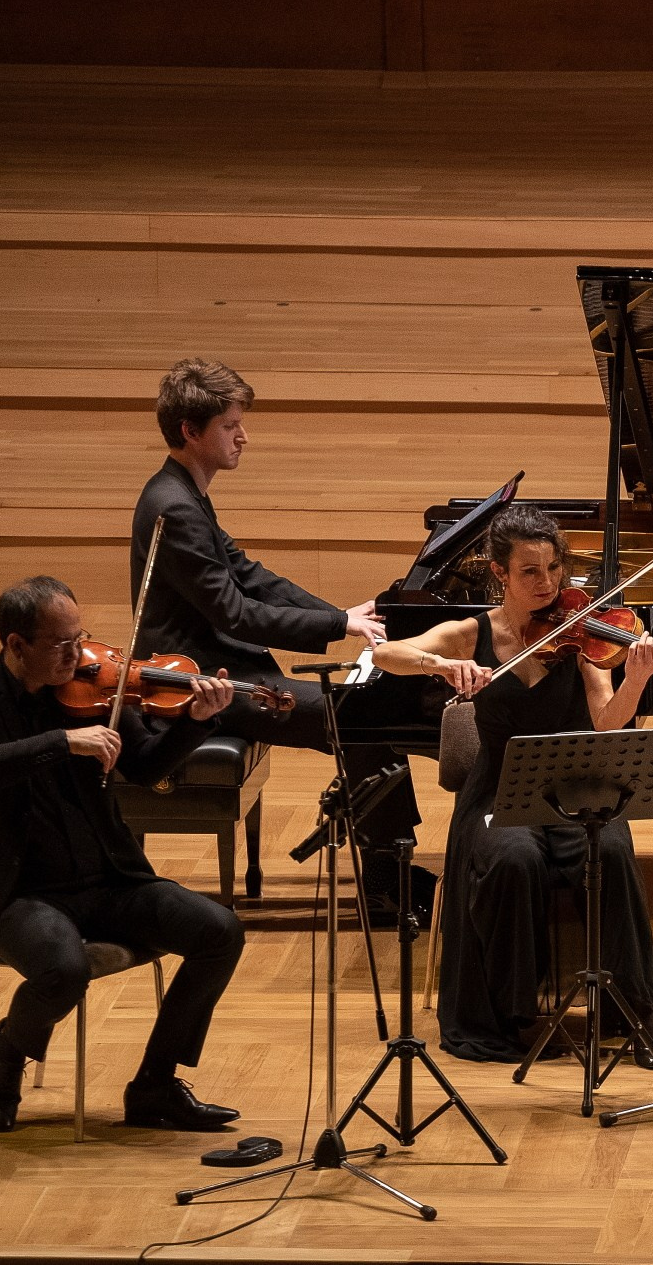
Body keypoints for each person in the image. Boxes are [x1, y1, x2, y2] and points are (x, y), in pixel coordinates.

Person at [369, 503, 653, 1062]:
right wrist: (442, 668)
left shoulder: (581, 635)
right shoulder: (469, 632)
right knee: (512, 859)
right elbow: (385, 652)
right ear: (500, 573)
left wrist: (638, 678)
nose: (547, 583)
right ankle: (512, 1015)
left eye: (554, 569)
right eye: (530, 571)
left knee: (614, 851)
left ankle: (630, 1011)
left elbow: (605, 723)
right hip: (500, 789)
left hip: (578, 786)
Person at [0, 576, 246, 1133]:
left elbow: (146, 768)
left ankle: (154, 1085)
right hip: (17, 893)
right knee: (63, 968)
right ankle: (7, 1050)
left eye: (81, 638)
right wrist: (63, 742)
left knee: (219, 930)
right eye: (61, 645)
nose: (78, 656)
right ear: (15, 646)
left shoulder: (94, 688)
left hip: (107, 879)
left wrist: (195, 724)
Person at [131, 358, 424, 917]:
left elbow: (249, 575)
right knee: (361, 719)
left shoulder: (183, 493)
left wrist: (341, 614)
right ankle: (389, 883)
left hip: (219, 666)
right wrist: (339, 626)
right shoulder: (173, 503)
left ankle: (390, 868)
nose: (243, 435)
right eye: (228, 425)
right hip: (198, 686)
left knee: (364, 716)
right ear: (191, 431)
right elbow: (235, 613)